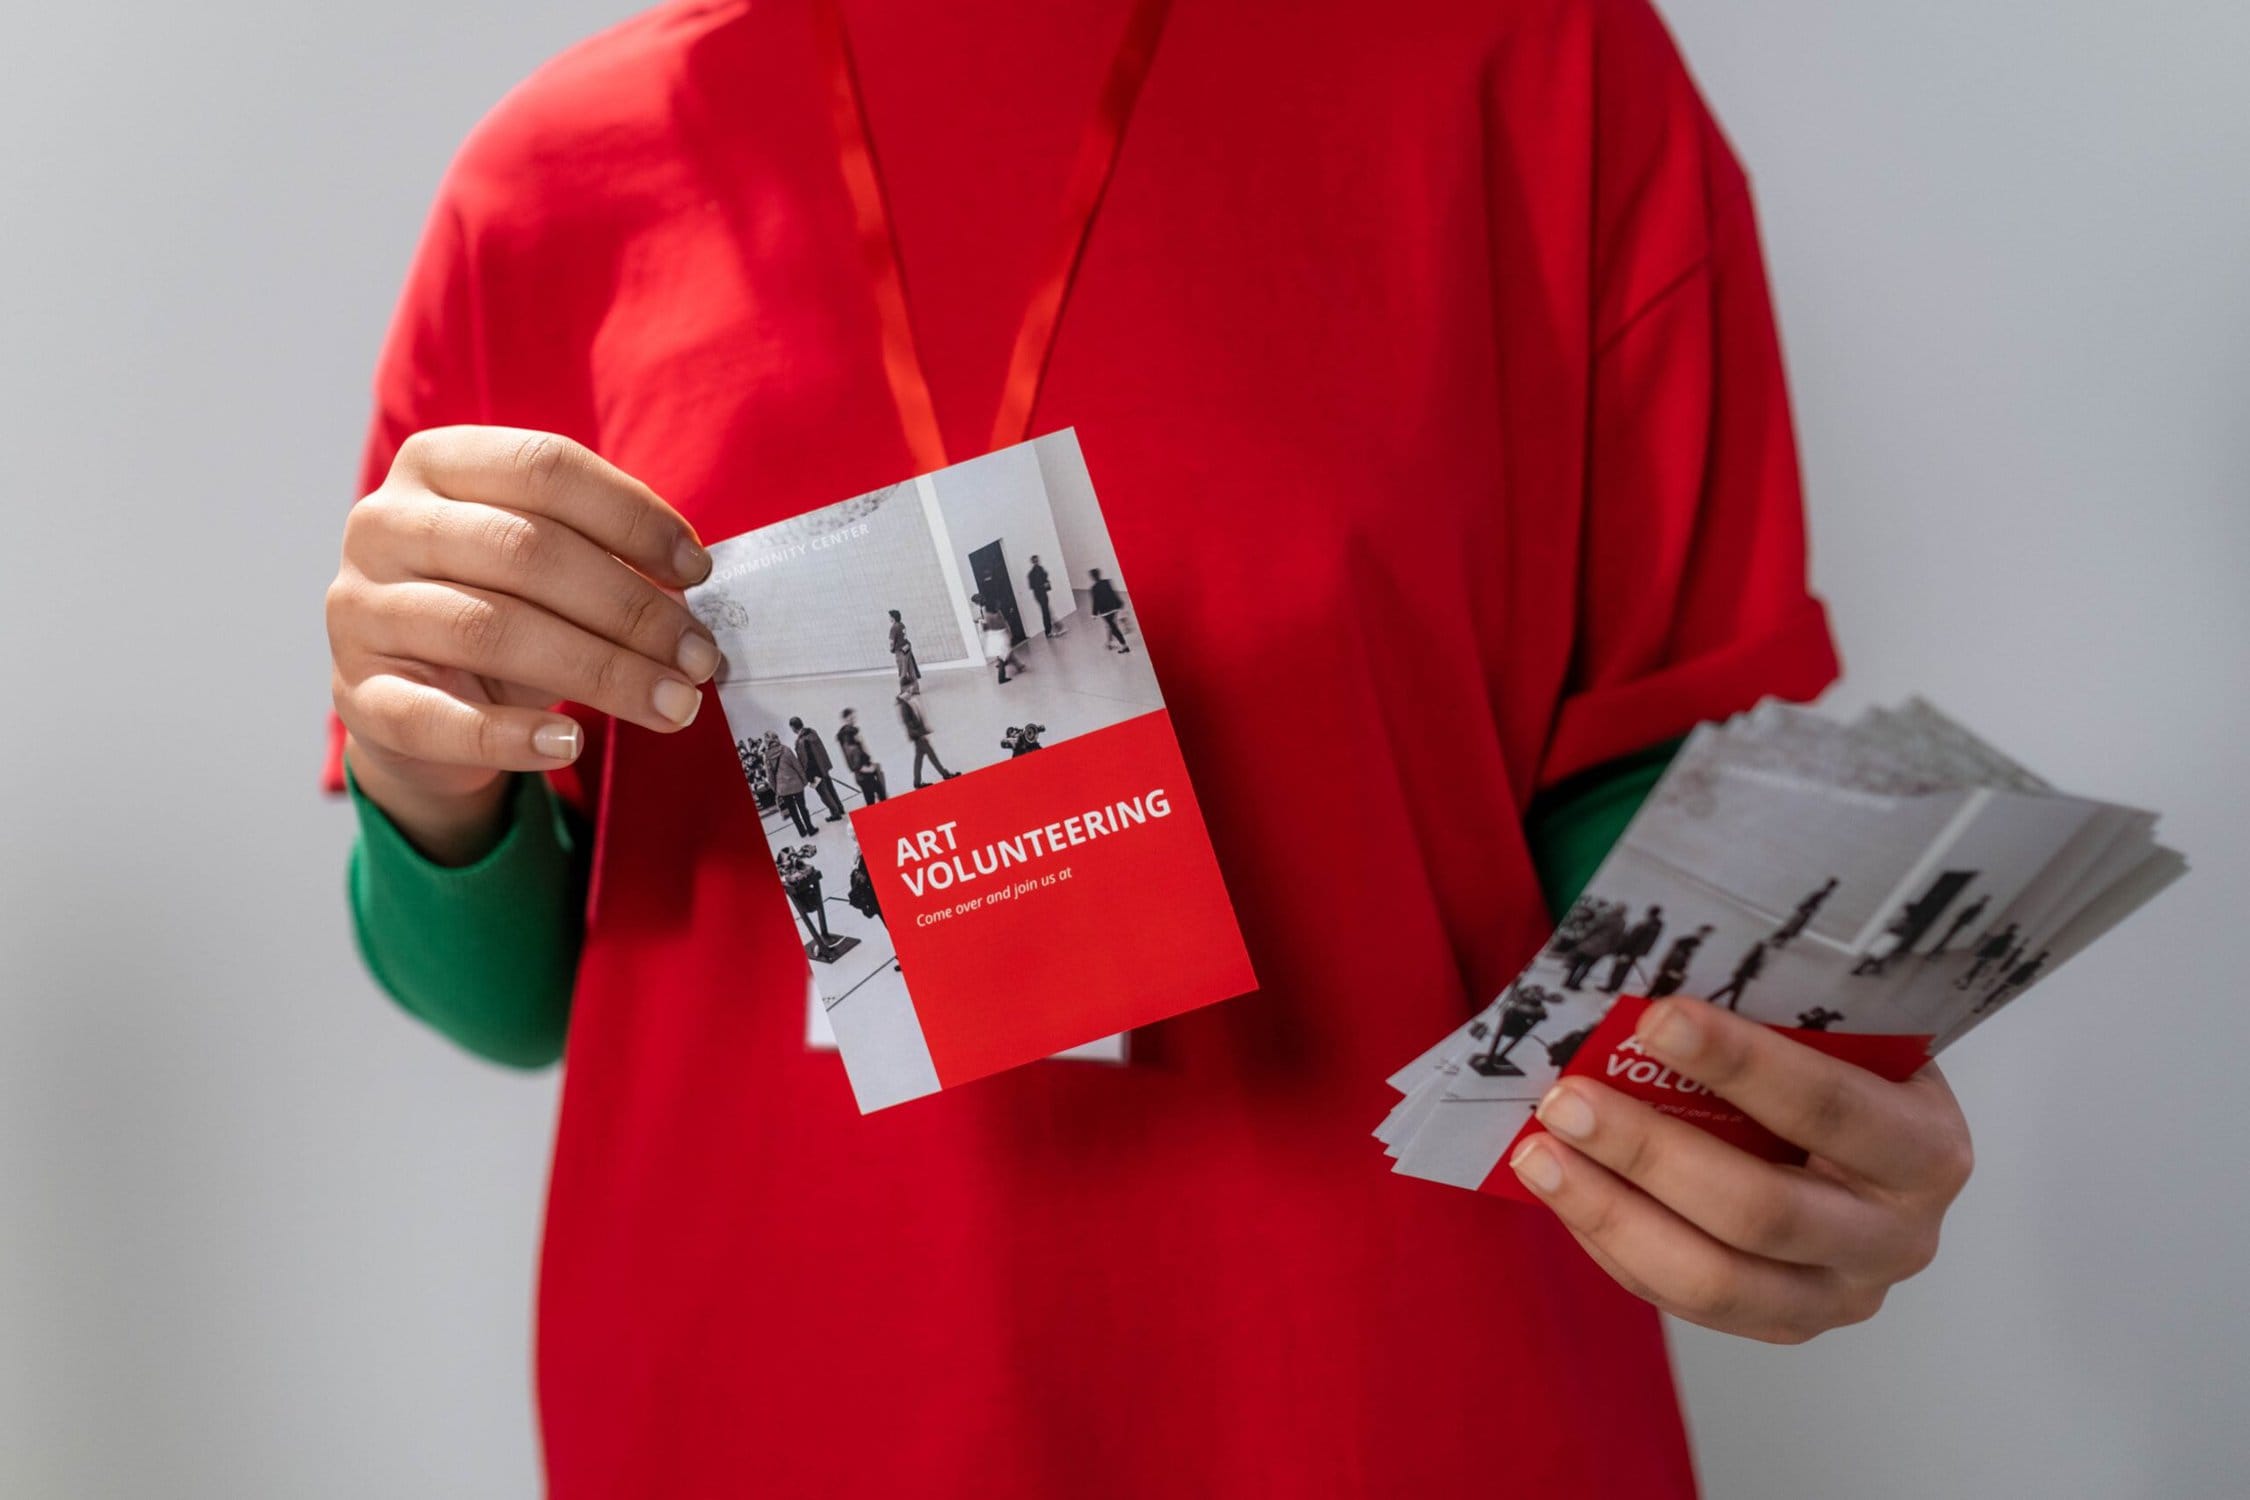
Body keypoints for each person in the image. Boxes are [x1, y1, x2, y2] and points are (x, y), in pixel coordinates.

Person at [325, 6, 1976, 1491]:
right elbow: (518, 994)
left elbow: (1632, 822)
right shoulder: (549, 183)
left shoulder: (1539, 64)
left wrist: (1797, 1099)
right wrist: (425, 779)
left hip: (1390, 1411)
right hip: (757, 1412)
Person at [897, 686, 957, 789]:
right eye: (909, 689)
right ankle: (945, 774)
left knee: (919, 758)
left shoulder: (908, 701)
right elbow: (909, 723)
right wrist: (920, 735)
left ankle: (917, 782)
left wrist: (924, 730)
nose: (912, 690)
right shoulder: (904, 705)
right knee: (931, 755)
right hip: (918, 736)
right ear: (905, 690)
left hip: (919, 735)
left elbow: (917, 718)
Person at [1560, 901, 1627, 990]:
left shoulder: (1606, 917)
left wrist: (1583, 940)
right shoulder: (1621, 923)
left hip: (1589, 944)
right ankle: (1576, 984)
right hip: (1602, 949)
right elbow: (1617, 939)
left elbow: (1592, 929)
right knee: (1587, 967)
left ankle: (1567, 982)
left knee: (1576, 964)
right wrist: (1611, 949)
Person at [791, 716, 847, 821]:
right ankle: (840, 808)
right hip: (823, 767)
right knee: (831, 789)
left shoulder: (800, 741)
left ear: (793, 728)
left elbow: (805, 760)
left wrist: (808, 775)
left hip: (813, 771)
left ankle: (835, 813)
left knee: (823, 794)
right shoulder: (812, 732)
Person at [1603, 904, 1665, 993]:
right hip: (1636, 952)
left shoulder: (1646, 925)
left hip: (1629, 951)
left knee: (1619, 969)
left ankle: (1611, 987)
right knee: (1623, 970)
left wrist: (1622, 949)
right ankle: (1614, 987)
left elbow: (1633, 938)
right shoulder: (1656, 927)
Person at [764, 730, 815, 838]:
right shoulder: (786, 749)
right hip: (796, 784)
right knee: (802, 808)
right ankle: (810, 829)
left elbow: (770, 776)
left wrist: (776, 789)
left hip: (782, 789)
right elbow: (797, 766)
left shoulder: (767, 757)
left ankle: (802, 832)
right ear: (777, 738)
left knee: (793, 811)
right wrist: (804, 780)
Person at [1647, 923, 1713, 998]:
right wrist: (1676, 974)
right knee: (1658, 994)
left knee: (1656, 993)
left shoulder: (1683, 950)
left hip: (1669, 975)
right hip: (1668, 977)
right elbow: (1670, 965)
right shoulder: (1681, 951)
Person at [1771, 876, 1837, 948]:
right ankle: (1777, 941)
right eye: (1833, 886)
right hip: (1805, 912)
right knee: (1792, 928)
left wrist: (1807, 908)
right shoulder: (1822, 893)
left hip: (1804, 911)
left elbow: (1810, 900)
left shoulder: (1822, 892)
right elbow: (1812, 901)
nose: (1832, 889)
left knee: (1791, 927)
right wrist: (1809, 909)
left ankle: (1777, 941)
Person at [836, 708, 885, 804]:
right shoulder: (847, 736)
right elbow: (852, 756)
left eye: (854, 717)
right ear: (845, 719)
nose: (853, 720)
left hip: (865, 770)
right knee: (875, 797)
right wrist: (864, 768)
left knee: (874, 797)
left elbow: (861, 751)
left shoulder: (852, 732)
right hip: (863, 773)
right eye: (851, 718)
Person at [1705, 940, 1768, 1012]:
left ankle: (1723, 1002)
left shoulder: (1753, 956)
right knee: (1734, 990)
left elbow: (1746, 965)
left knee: (1733, 989)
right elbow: (1750, 967)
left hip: (1741, 975)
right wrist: (1752, 974)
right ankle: (1729, 1005)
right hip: (1743, 976)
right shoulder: (1756, 957)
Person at [1958, 922, 2022, 989]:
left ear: (2011, 930)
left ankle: (1966, 984)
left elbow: (1998, 949)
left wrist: (1988, 954)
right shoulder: (2007, 938)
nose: (2007, 929)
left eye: (2009, 928)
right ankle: (1964, 981)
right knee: (1975, 968)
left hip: (1988, 955)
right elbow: (1995, 947)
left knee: (1976, 969)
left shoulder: (2007, 938)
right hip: (1987, 954)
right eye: (2009, 928)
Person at [975, 594, 1022, 683]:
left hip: (994, 636)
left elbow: (987, 627)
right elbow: (1002, 624)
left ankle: (1018, 666)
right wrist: (1008, 632)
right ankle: (1002, 677)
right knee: (1003, 656)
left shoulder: (986, 613)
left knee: (1006, 653)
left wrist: (980, 622)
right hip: (1001, 635)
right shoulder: (996, 614)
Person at [1087, 567, 1129, 652]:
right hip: (1114, 608)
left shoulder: (1094, 588)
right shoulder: (1107, 582)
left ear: (1092, 577)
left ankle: (1124, 646)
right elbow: (1113, 594)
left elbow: (1096, 601)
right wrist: (1120, 604)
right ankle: (1109, 643)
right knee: (1110, 625)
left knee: (1113, 628)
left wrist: (1094, 614)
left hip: (1105, 612)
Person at [887, 608, 920, 687]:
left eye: (890, 616)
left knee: (902, 670)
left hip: (900, 651)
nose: (889, 618)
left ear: (893, 618)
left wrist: (891, 649)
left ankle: (904, 691)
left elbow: (892, 641)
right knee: (911, 669)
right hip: (907, 648)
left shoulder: (894, 628)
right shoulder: (902, 625)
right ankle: (915, 688)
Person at [1026, 554, 1056, 637]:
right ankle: (1048, 631)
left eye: (1037, 560)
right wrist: (1042, 584)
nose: (1036, 562)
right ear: (1032, 562)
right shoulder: (1032, 573)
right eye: (1035, 561)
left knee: (1046, 611)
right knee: (1045, 612)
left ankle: (1049, 630)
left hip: (1042, 593)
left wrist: (1045, 582)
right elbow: (1033, 585)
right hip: (1039, 594)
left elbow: (1044, 580)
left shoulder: (1039, 570)